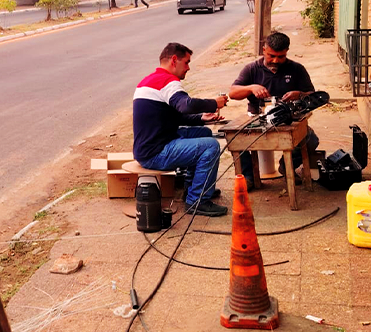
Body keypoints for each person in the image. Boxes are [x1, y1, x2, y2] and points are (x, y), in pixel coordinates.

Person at [133, 42, 228, 216]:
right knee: (210, 145)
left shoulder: (149, 80)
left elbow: (174, 116)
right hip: (156, 152)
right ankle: (197, 201)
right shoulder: (166, 81)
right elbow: (186, 105)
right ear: (174, 60)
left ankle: (193, 187)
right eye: (186, 62)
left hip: (154, 143)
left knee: (204, 133)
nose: (188, 68)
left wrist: (201, 118)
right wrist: (214, 103)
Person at [228, 31, 319, 187]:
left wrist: (300, 94)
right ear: (264, 50)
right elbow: (233, 93)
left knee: (311, 139)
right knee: (236, 139)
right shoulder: (251, 69)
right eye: (271, 56)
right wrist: (251, 88)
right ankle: (248, 177)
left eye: (281, 57)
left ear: (287, 52)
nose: (275, 60)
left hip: (288, 119)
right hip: (257, 118)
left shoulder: (297, 69)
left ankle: (286, 165)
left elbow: (314, 96)